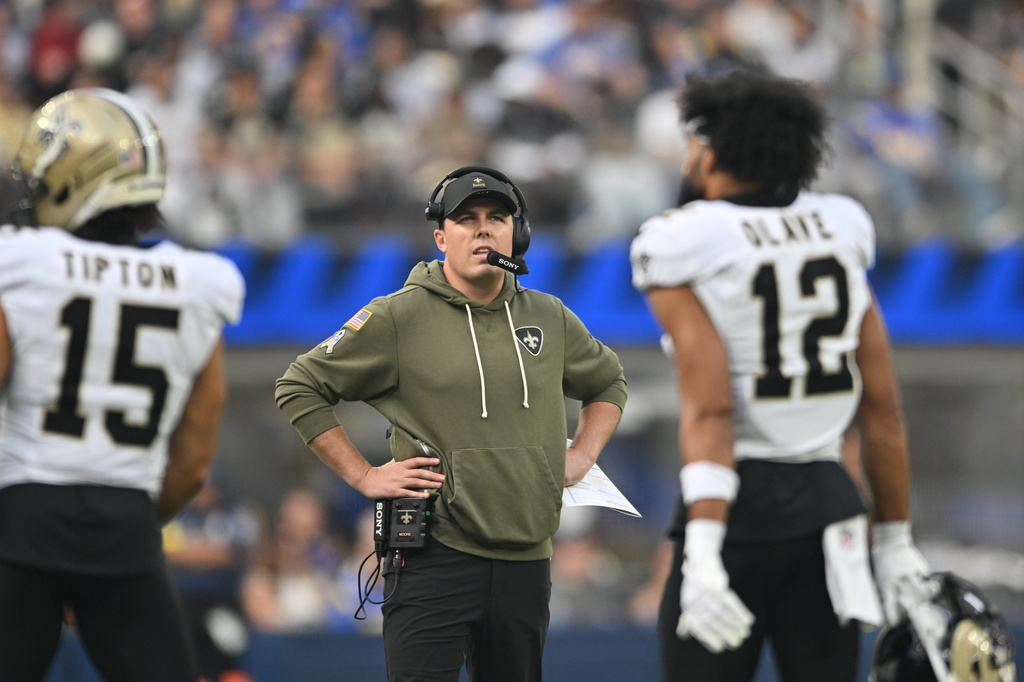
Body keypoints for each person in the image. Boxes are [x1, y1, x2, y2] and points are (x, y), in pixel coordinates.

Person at [629, 69, 933, 682]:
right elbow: (882, 408)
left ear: (714, 148)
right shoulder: (844, 224)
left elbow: (712, 408)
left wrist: (706, 553)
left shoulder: (682, 239)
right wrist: (896, 541)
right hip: (831, 510)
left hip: (733, 505)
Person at [275, 165, 627, 682]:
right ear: (441, 237)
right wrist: (363, 475)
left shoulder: (550, 317)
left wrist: (583, 454)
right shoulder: (397, 317)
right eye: (467, 219)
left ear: (517, 233)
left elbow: (608, 382)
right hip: (433, 558)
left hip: (527, 559)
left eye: (497, 218)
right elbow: (299, 385)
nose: (484, 229)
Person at [0, 87, 245, 682]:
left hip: (20, 523)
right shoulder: (197, 283)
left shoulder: (20, 263)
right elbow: (190, 465)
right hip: (128, 529)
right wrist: (113, 534)